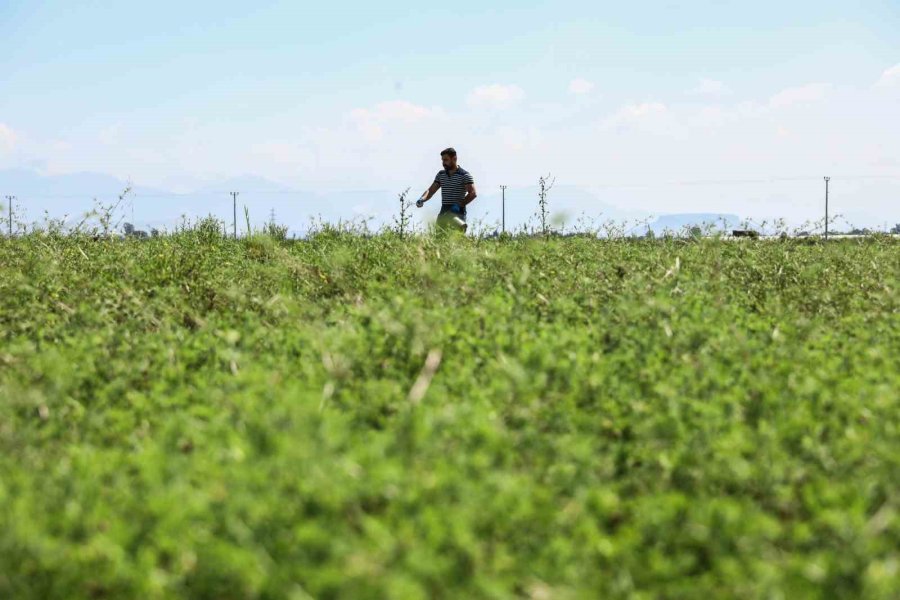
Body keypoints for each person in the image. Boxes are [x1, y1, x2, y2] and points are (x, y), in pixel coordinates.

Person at [415, 147, 477, 232]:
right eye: (442, 160)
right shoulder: (441, 175)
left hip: (458, 212)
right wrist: (422, 199)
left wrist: (459, 205)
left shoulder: (464, 175)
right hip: (444, 210)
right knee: (439, 239)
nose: (443, 163)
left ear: (454, 159)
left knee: (456, 240)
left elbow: (473, 193)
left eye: (446, 160)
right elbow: (430, 191)